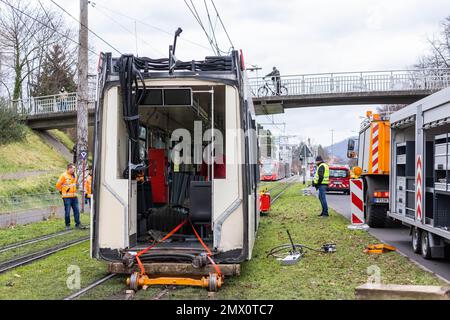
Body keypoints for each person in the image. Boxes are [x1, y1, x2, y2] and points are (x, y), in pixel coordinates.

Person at [56, 163, 82, 230]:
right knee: (67, 211)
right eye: (73, 168)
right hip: (66, 197)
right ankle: (67, 225)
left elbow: (74, 184)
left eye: (74, 169)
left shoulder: (75, 175)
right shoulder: (63, 175)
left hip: (74, 196)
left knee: (76, 210)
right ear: (69, 168)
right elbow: (57, 185)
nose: (74, 170)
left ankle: (78, 224)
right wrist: (61, 191)